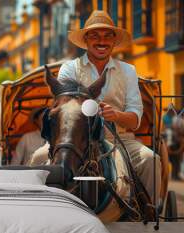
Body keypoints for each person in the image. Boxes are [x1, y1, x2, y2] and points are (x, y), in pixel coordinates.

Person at [57, 10, 161, 197]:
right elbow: (64, 108)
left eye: (107, 36)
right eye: (95, 36)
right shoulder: (69, 69)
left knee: (150, 159)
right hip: (77, 142)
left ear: (114, 41)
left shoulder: (129, 71)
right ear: (86, 40)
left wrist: (118, 115)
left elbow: (135, 118)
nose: (102, 42)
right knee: (39, 158)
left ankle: (148, 211)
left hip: (120, 141)